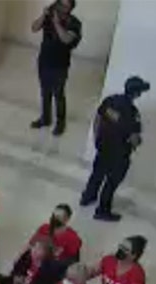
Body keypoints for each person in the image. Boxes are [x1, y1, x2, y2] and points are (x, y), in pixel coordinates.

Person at [81, 75, 149, 222]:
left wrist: (96, 138)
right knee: (112, 182)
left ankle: (87, 197)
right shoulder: (132, 113)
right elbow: (134, 138)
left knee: (97, 173)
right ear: (136, 93)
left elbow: (98, 119)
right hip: (120, 153)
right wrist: (137, 142)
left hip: (103, 145)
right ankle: (103, 210)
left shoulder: (110, 100)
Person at [31, 0, 82, 136]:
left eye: (66, 6)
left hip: (60, 65)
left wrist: (56, 23)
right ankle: (45, 118)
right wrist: (43, 15)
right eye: (60, 4)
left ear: (71, 8)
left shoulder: (75, 24)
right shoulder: (49, 17)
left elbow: (66, 39)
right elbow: (34, 28)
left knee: (58, 94)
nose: (62, 8)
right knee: (45, 92)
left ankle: (60, 123)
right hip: (44, 61)